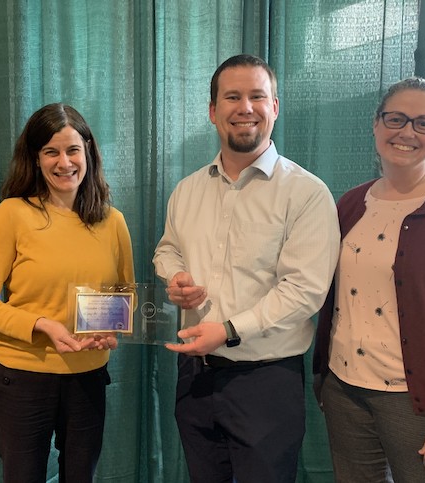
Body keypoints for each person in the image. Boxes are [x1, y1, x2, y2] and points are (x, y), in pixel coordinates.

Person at [153, 54, 340, 483]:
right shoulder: (187, 190)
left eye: (258, 96)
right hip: (195, 376)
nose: (246, 107)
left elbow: (304, 291)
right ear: (213, 111)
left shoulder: (306, 193)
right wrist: (175, 277)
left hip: (266, 381)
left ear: (275, 107)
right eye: (232, 96)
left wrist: (229, 330)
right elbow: (167, 250)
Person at [313, 77, 425, 482]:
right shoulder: (350, 203)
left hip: (422, 405)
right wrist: (323, 378)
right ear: (376, 125)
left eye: (424, 123)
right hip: (345, 391)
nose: (407, 132)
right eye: (395, 118)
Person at [0, 102, 135, 483]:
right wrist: (42, 324)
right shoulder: (13, 214)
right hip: (21, 379)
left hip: (88, 378)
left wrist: (112, 329)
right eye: (51, 151)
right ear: (36, 159)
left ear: (88, 151)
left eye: (73, 149)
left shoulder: (113, 221)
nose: (64, 162)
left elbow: (123, 300)